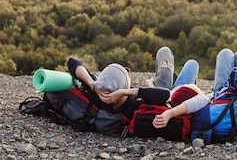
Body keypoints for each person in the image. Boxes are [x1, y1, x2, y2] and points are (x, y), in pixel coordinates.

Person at [68, 46, 198, 121]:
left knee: (171, 68)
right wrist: (147, 86)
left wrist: (93, 85)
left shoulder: (98, 93)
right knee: (187, 62)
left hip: (155, 94)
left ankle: (171, 77)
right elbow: (164, 94)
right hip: (170, 97)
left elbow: (73, 62)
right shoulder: (134, 105)